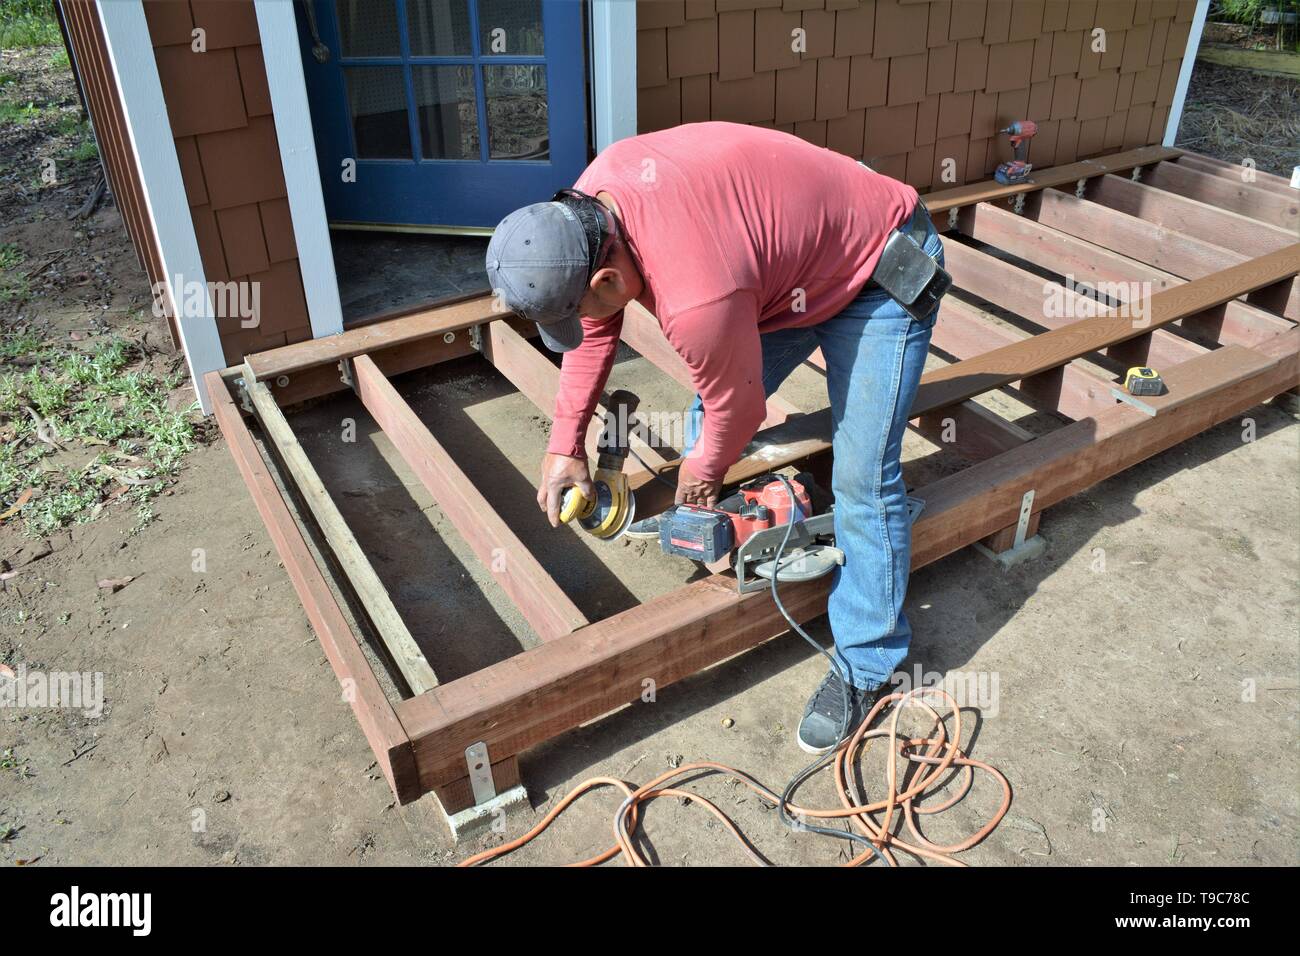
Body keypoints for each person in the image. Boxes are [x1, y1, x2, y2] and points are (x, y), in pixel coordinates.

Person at [485, 122, 947, 753]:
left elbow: (742, 403)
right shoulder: (595, 205)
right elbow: (596, 332)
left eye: (582, 307)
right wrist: (565, 445)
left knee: (864, 479)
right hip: (788, 272)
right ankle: (761, 522)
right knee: (707, 424)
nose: (585, 322)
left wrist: (700, 476)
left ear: (606, 282)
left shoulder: (697, 299)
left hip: (880, 267)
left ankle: (869, 665)